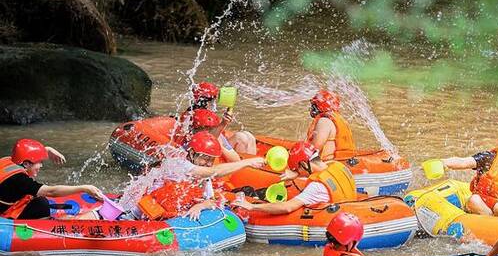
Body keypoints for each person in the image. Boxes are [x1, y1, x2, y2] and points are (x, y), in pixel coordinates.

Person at [136, 131, 264, 221]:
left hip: (166, 215)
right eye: (205, 159)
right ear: (191, 153)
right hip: (143, 212)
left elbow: (211, 200)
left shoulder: (204, 177)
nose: (208, 164)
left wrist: (200, 206)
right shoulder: (179, 164)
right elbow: (215, 172)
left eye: (211, 160)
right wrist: (248, 162)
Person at [233, 141, 357, 215]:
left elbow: (287, 207)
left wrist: (252, 206)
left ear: (303, 164)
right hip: (348, 207)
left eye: (296, 169)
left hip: (328, 216)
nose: (296, 172)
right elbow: (317, 169)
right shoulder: (336, 165)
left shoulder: (316, 187)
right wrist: (298, 173)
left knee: (251, 192)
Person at [0, 139, 103, 219]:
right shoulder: (21, 180)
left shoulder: (9, 160)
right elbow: (51, 192)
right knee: (42, 204)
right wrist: (84, 188)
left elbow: (23, 155)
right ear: (26, 164)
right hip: (4, 213)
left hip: (7, 197)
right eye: (39, 162)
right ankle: (44, 223)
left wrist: (47, 149)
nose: (41, 166)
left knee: (37, 199)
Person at [181, 81, 257, 155]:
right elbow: (207, 138)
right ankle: (247, 165)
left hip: (214, 142)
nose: (214, 102)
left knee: (248, 135)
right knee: (242, 138)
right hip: (208, 148)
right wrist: (223, 124)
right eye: (213, 99)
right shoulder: (196, 116)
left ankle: (250, 163)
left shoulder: (196, 112)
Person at [306, 90, 356, 160]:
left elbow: (314, 149)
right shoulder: (337, 119)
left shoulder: (324, 121)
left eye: (314, 105)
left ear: (319, 106)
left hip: (328, 163)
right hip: (342, 160)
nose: (311, 108)